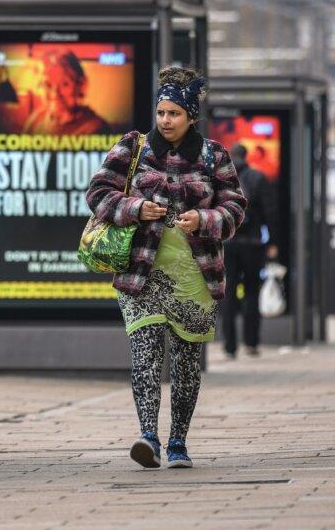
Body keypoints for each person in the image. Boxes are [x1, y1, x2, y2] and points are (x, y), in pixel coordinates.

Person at [86, 66, 246, 469]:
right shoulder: (132, 147)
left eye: (174, 113)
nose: (166, 121)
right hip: (141, 275)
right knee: (145, 352)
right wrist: (136, 208)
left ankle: (178, 442)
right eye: (162, 113)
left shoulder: (214, 155)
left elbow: (235, 206)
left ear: (191, 115)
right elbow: (98, 193)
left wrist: (204, 220)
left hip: (195, 276)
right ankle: (147, 437)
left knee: (186, 361)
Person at [221, 142, 278, 358]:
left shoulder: (222, 179)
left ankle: (229, 345)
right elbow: (271, 212)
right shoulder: (258, 177)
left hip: (228, 243)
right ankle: (251, 342)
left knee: (229, 292)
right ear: (247, 156)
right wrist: (272, 241)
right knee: (252, 291)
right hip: (253, 244)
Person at [23, 49, 111, 135]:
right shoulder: (36, 119)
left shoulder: (96, 128)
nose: (55, 94)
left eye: (64, 84)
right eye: (47, 85)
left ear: (81, 85)